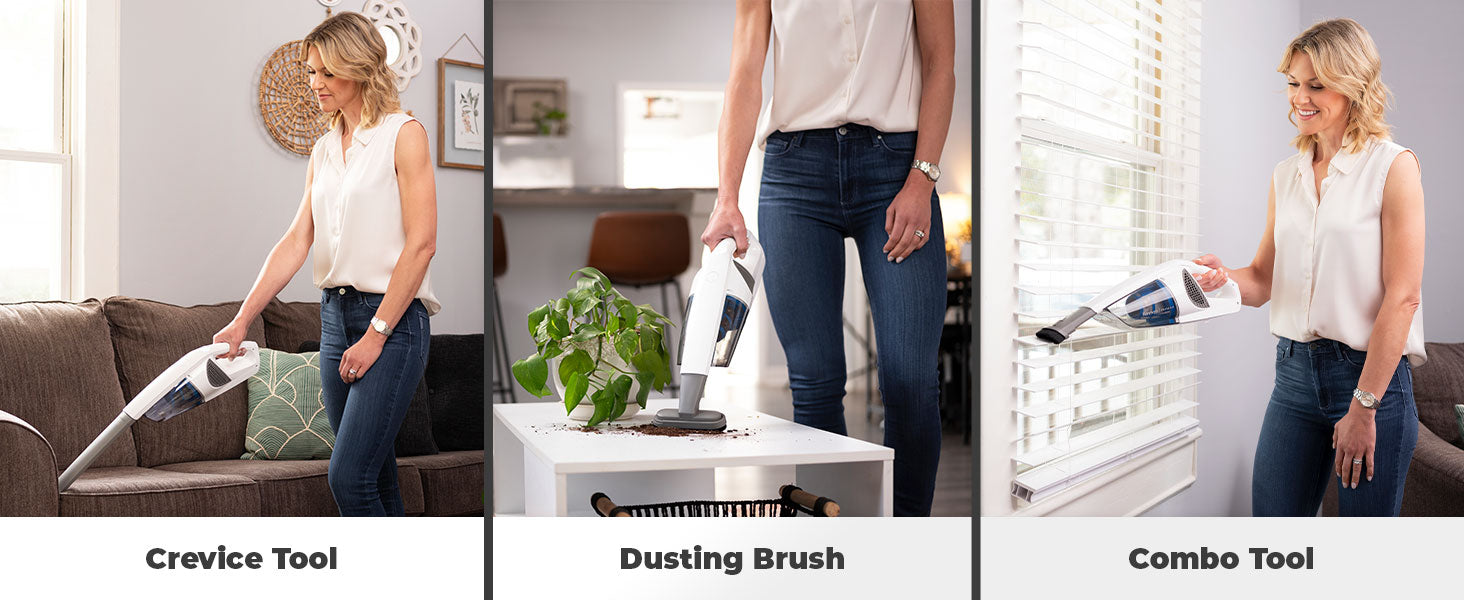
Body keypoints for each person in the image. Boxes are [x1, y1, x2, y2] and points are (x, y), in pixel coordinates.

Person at [700, 0, 955, 516]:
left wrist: (922, 179)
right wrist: (726, 195)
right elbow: (745, 76)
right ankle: (834, 546)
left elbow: (941, 64)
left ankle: (908, 542)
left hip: (895, 166)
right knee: (814, 382)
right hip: (795, 174)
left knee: (909, 381)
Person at [1194, 18, 1424, 517]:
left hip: (1368, 381)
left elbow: (1403, 295)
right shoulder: (1286, 175)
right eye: (1295, 83)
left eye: (1317, 85)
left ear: (1354, 88)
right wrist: (1222, 277)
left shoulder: (1393, 166)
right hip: (1294, 378)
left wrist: (1364, 406)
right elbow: (1261, 280)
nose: (1301, 97)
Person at [212, 12, 440, 516]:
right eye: (310, 72)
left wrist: (377, 333)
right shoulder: (322, 149)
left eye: (326, 73)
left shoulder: (404, 135)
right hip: (335, 319)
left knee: (349, 476)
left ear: (359, 69)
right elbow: (297, 241)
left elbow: (422, 244)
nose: (315, 84)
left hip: (394, 322)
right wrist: (241, 319)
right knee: (375, 476)